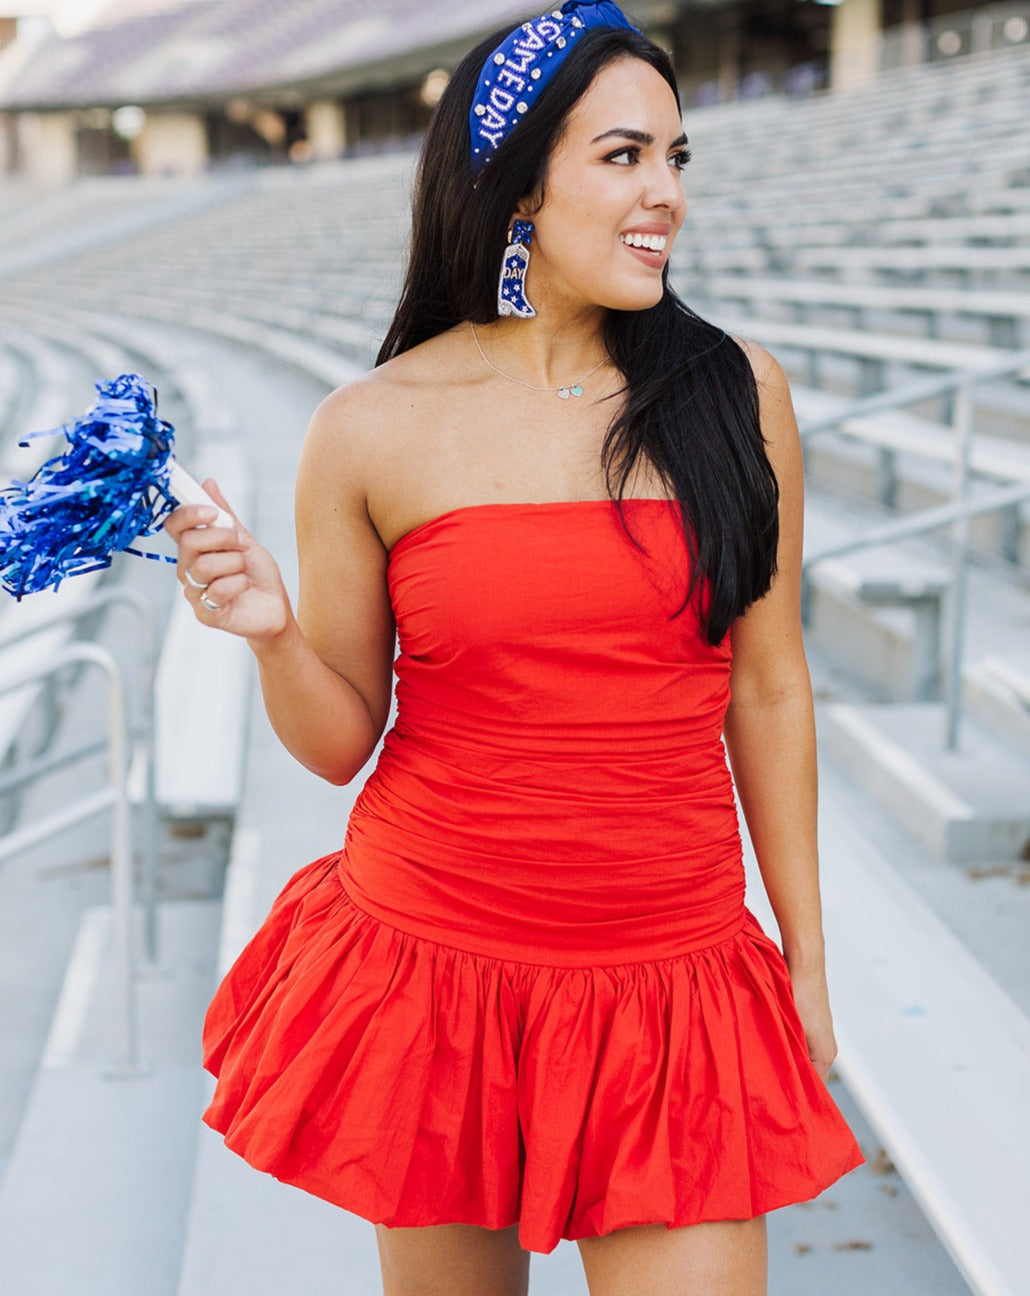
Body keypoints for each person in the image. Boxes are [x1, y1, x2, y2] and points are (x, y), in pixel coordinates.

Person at [165, 4, 865, 1293]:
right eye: (621, 157)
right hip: (435, 974)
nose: (666, 194)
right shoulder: (370, 426)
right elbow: (336, 745)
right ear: (518, 185)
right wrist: (267, 631)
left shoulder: (736, 393)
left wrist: (807, 964)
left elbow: (768, 687)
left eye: (675, 157)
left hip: (674, 985)